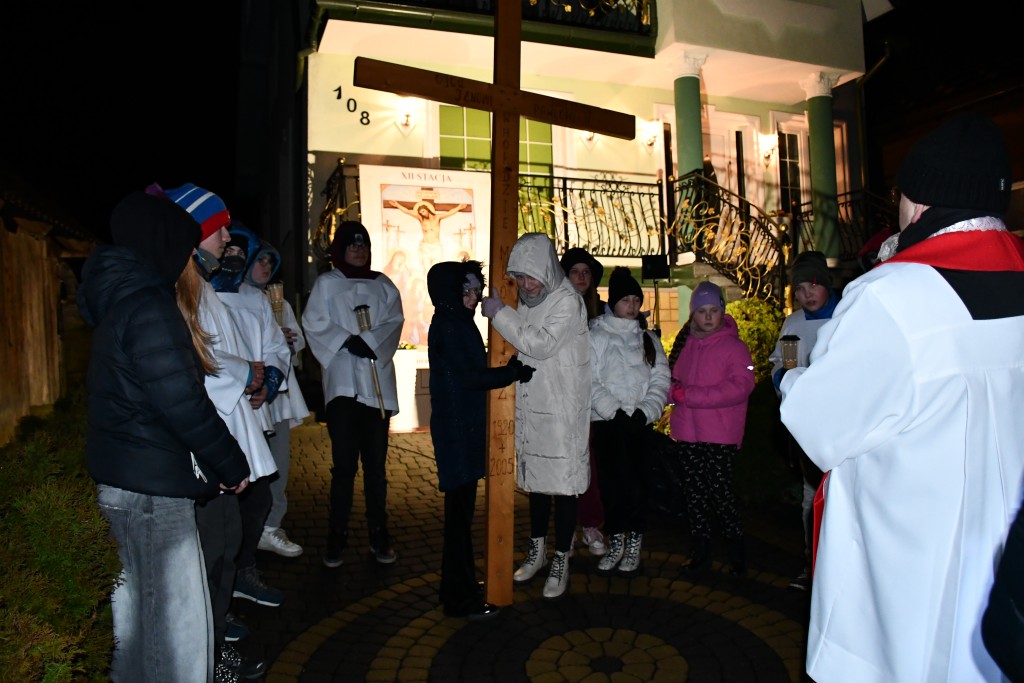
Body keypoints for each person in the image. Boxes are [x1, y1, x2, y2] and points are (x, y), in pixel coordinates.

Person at [779, 115, 1024, 683]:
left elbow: (819, 425)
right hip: (1008, 578)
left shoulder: (894, 296)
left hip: (915, 577)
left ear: (919, 202)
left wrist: (791, 378)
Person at [77, 191, 251, 683]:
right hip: (152, 495)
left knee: (137, 630)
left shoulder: (120, 299)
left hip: (128, 485)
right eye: (183, 243)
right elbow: (181, 401)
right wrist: (230, 464)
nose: (189, 255)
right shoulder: (149, 305)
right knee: (173, 634)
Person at [153, 182, 274, 681]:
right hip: (202, 449)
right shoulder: (175, 290)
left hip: (220, 441)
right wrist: (245, 372)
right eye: (218, 228)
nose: (228, 238)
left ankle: (214, 638)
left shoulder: (199, 286)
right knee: (209, 552)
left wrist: (253, 375)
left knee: (225, 543)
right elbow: (190, 366)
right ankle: (203, 657)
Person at [480, 233, 591, 601]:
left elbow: (541, 344)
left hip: (562, 410)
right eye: (519, 278)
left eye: (531, 277)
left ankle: (561, 558)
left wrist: (500, 314)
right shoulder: (529, 301)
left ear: (546, 270)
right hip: (534, 404)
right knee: (539, 482)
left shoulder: (568, 301)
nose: (526, 285)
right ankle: (538, 550)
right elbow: (526, 344)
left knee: (564, 484)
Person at [426, 260, 535, 619]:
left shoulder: (456, 322)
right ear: (449, 293)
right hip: (457, 435)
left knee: (459, 518)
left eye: (476, 289)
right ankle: (460, 600)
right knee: (459, 520)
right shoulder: (450, 326)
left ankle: (455, 590)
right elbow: (470, 377)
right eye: (467, 290)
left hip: (462, 432)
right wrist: (512, 373)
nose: (474, 297)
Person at [303, 220, 404, 567]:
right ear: (341, 249)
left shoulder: (384, 285)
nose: (359, 249)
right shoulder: (327, 283)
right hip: (343, 385)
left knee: (376, 467)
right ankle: (337, 533)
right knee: (344, 466)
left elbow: (394, 321)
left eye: (364, 244)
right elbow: (314, 321)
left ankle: (379, 532)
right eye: (352, 244)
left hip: (376, 388)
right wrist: (346, 340)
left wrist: (370, 342)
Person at [210, 221, 292, 609]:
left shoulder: (254, 299)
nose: (235, 258)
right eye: (229, 251)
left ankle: (243, 571)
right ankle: (221, 589)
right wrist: (244, 375)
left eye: (242, 254)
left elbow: (275, 345)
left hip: (252, 413)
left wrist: (269, 381)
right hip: (219, 414)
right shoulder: (200, 294)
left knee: (257, 499)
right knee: (225, 511)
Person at [667, 281, 755, 577]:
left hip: (720, 434)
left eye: (713, 310)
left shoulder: (734, 347)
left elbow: (741, 386)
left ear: (722, 312)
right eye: (701, 311)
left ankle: (737, 552)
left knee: (721, 494)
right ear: (692, 313)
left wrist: (690, 396)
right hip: (688, 432)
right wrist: (670, 392)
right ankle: (701, 549)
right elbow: (672, 380)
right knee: (694, 494)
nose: (707, 317)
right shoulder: (686, 344)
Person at [588, 267, 670, 576]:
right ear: (614, 303)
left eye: (636, 300)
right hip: (608, 424)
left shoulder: (648, 338)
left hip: (639, 424)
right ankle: (616, 541)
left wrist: (646, 411)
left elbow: (660, 378)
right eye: (626, 300)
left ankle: (634, 541)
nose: (632, 306)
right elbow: (589, 379)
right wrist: (614, 411)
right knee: (612, 486)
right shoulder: (596, 335)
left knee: (638, 486)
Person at [767, 250, 837, 591]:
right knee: (811, 496)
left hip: (840, 423)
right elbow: (780, 362)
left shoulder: (847, 315)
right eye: (799, 289)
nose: (807, 295)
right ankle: (812, 566)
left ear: (826, 284)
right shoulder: (794, 322)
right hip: (806, 426)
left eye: (813, 286)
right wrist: (783, 378)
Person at [243, 238, 310, 558]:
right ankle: (248, 529)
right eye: (260, 260)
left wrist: (288, 341)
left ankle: (272, 525)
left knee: (279, 464)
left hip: (278, 398)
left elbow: (297, 345)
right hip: (252, 396)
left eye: (270, 262)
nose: (266, 267)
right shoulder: (232, 299)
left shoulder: (277, 302)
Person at [559, 247, 608, 557]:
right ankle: (566, 530)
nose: (581, 277)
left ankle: (591, 525)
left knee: (590, 466)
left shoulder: (602, 314)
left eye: (586, 272)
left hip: (594, 403)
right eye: (575, 272)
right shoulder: (555, 309)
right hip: (562, 400)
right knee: (563, 468)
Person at [388, 199, 467, 272]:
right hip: (425, 246)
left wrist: (459, 207)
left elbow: (449, 213)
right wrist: (397, 204)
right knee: (427, 269)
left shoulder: (437, 217)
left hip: (436, 246)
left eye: (423, 211)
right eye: (421, 213)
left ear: (427, 210)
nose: (422, 213)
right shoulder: (421, 219)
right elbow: (408, 212)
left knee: (436, 267)